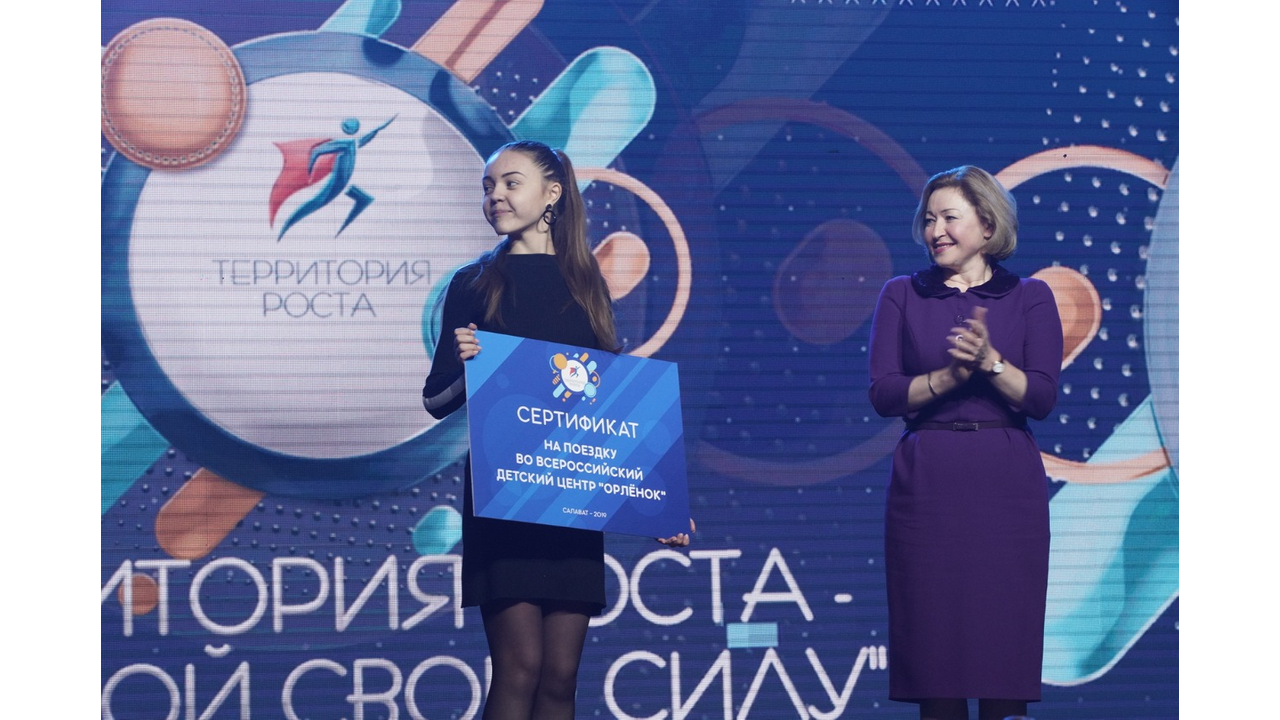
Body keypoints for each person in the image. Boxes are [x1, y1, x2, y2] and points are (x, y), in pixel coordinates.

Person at [422, 140, 693, 720]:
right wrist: (470, 368)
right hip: (505, 502)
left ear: (552, 194)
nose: (495, 195)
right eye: (488, 186)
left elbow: (609, 407)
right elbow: (435, 399)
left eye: (510, 183)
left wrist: (658, 502)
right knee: (519, 667)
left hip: (572, 498)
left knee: (560, 676)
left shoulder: (587, 283)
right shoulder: (472, 284)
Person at [866, 165, 1063, 720]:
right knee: (936, 662)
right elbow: (884, 393)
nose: (936, 231)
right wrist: (949, 379)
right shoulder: (901, 294)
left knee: (1003, 654)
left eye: (949, 217)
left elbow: (1041, 397)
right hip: (927, 485)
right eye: (929, 219)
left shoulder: (1030, 297)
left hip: (1005, 486)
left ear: (987, 225)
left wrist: (990, 362)